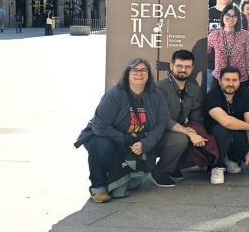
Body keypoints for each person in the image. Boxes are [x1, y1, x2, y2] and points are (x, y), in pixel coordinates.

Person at [74, 58, 168, 203]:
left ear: (149, 74)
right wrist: (125, 139)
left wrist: (146, 143)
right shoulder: (115, 94)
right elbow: (99, 126)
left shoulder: (156, 95)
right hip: (106, 135)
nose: (139, 74)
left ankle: (128, 178)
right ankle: (98, 186)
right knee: (102, 146)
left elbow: (161, 123)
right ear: (127, 74)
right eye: (135, 70)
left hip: (137, 137)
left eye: (143, 70)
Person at [151, 50, 217, 187]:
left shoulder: (194, 90)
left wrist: (196, 133)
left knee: (202, 140)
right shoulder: (159, 88)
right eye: (179, 66)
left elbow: (196, 119)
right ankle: (160, 172)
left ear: (192, 68)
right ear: (171, 66)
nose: (183, 70)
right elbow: (163, 120)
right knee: (181, 140)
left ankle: (173, 165)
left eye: (187, 67)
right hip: (156, 134)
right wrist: (188, 133)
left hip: (179, 130)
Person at [203, 66, 249, 184]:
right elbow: (226, 122)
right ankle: (217, 166)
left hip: (236, 136)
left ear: (240, 81)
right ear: (220, 81)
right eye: (227, 80)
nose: (231, 84)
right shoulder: (211, 96)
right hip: (215, 139)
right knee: (223, 130)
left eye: (234, 80)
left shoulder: (245, 94)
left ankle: (231, 158)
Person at [207, 4, 249, 94]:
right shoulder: (214, 35)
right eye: (228, 15)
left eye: (234, 16)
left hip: (240, 79)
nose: (231, 19)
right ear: (223, 16)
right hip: (219, 79)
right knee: (215, 102)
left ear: (238, 19)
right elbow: (203, 52)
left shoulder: (244, 35)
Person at [208, 0, 235, 89]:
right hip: (211, 68)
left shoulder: (239, 16)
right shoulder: (207, 14)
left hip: (233, 70)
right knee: (211, 98)